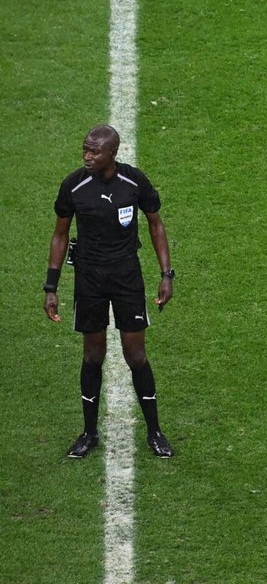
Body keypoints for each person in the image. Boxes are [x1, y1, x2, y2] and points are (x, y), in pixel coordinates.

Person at [43, 126, 175, 459]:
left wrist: (166, 275)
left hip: (127, 278)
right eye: (84, 150)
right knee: (92, 355)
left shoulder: (133, 182)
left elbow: (155, 224)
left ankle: (155, 432)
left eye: (94, 151)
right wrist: (51, 286)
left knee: (136, 355)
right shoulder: (74, 185)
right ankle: (89, 433)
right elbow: (60, 236)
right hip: (89, 280)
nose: (87, 156)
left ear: (112, 154)